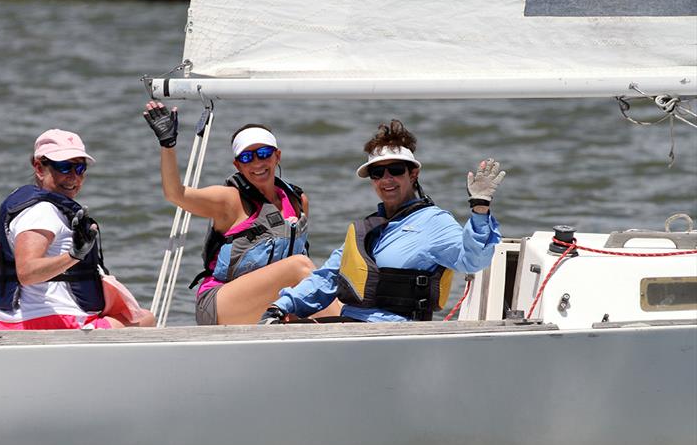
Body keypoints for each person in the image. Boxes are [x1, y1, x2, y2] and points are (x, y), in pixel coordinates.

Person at [259, 119, 505, 323]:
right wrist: (280, 307)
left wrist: (480, 209)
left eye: (396, 170)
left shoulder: (434, 222)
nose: (387, 179)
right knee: (278, 329)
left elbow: (473, 261)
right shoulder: (368, 229)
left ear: (413, 173)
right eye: (378, 173)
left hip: (395, 333)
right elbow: (327, 278)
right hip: (351, 326)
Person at [143, 100, 341, 325]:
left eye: (264, 153)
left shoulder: (298, 201)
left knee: (343, 289)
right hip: (220, 304)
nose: (257, 162)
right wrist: (167, 145)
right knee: (301, 267)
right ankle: (350, 328)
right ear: (237, 165)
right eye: (247, 157)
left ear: (277, 156)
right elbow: (175, 194)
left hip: (274, 304)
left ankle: (356, 326)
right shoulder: (230, 201)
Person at [0, 129, 155, 330]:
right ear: (39, 168)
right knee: (146, 319)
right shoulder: (43, 212)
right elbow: (27, 273)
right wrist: (74, 255)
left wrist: (5, 314)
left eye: (80, 168)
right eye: (64, 167)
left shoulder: (34, 210)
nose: (74, 177)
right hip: (51, 325)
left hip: (11, 324)